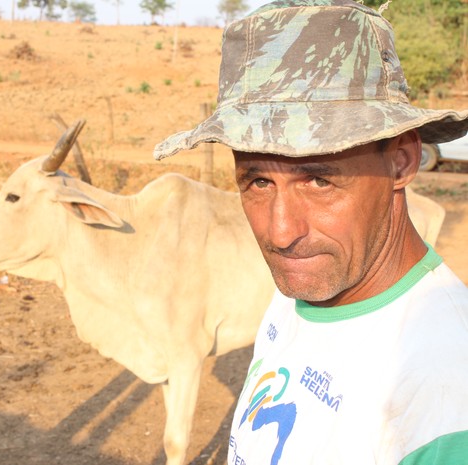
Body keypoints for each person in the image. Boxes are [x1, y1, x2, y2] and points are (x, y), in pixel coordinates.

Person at [153, 1, 468, 464]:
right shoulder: (304, 289)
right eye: (259, 181)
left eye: (320, 180)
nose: (280, 232)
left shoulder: (443, 396)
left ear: (401, 160)